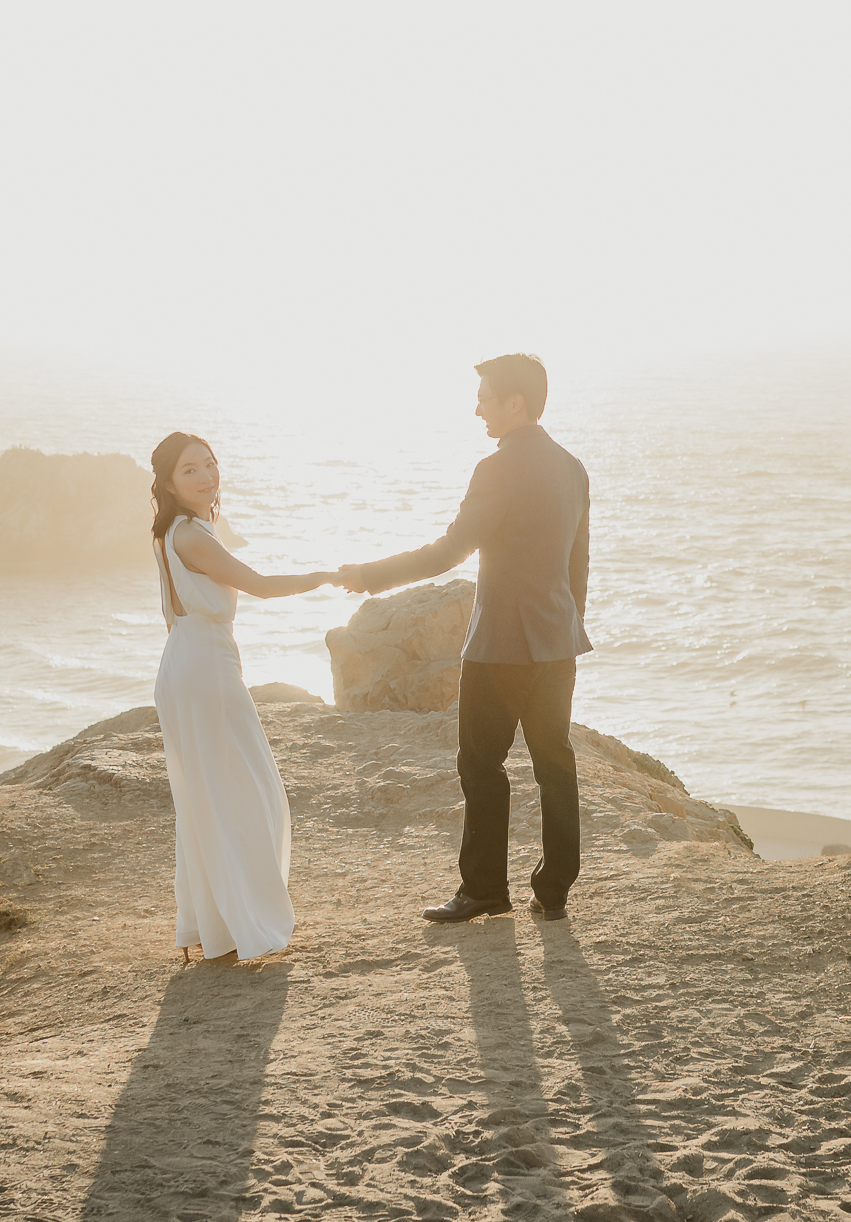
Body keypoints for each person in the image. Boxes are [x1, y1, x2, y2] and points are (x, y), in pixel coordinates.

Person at [333, 354, 591, 922]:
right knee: (555, 763)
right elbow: (579, 565)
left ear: (514, 403)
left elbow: (449, 552)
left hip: (501, 644)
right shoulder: (572, 467)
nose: (477, 409)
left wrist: (369, 575)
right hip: (558, 643)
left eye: (484, 397)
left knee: (479, 763)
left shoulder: (496, 469)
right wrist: (567, 625)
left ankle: (484, 890)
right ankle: (554, 894)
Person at [148, 431, 335, 962]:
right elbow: (261, 585)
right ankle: (237, 923)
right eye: (190, 470)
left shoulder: (177, 529)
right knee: (251, 796)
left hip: (189, 664)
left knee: (209, 799)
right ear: (167, 482)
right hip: (205, 671)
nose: (206, 476)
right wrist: (325, 576)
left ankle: (215, 925)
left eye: (210, 464)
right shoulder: (191, 535)